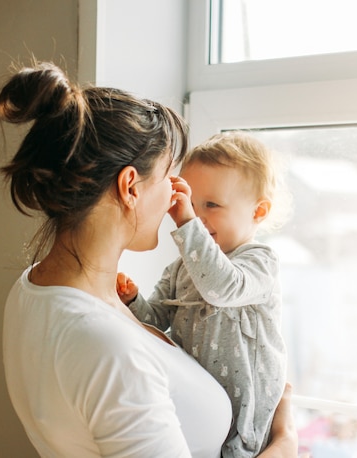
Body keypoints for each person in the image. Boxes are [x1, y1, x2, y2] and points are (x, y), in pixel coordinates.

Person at [0, 61, 297, 457]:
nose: (177, 197)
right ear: (130, 187)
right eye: (172, 177)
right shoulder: (106, 346)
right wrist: (286, 446)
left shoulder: (32, 287)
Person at [117, 132, 290, 457]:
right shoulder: (183, 267)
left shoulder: (259, 261)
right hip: (200, 405)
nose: (196, 215)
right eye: (190, 203)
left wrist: (186, 221)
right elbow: (157, 321)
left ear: (258, 212)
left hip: (246, 415)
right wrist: (133, 301)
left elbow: (222, 287)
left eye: (211, 205)